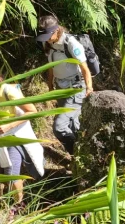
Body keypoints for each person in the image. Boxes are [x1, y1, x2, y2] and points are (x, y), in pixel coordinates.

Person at [0, 64, 44, 207]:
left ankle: (17, 206)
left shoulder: (8, 91)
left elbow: (32, 111)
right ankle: (0, 202)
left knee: (12, 174)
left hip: (12, 136)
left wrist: (9, 125)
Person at [35, 15, 94, 155]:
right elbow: (51, 66)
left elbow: (85, 69)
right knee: (74, 124)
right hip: (60, 88)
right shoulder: (47, 43)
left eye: (49, 35)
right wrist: (50, 86)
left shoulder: (71, 43)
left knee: (59, 127)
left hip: (76, 88)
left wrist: (89, 88)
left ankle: (79, 155)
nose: (47, 39)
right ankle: (84, 156)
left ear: (57, 30)